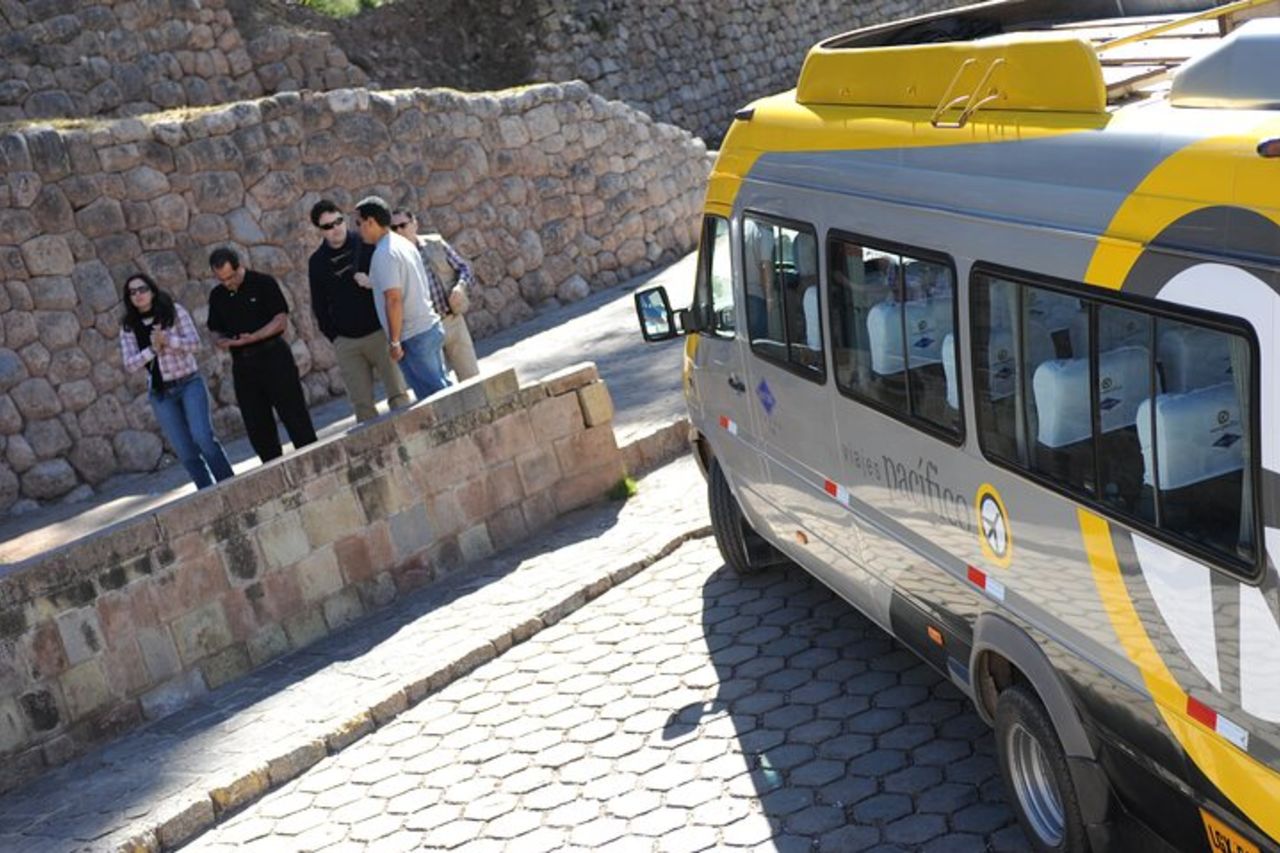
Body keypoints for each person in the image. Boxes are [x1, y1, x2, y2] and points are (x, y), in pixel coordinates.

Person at [118, 273, 235, 489]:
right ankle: (207, 493)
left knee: (203, 438)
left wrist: (168, 340)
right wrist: (153, 349)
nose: (138, 295)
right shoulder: (128, 327)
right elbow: (130, 364)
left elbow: (194, 344)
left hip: (189, 382)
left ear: (152, 290)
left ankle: (230, 487)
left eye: (142, 289)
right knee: (184, 450)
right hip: (161, 394)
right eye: (132, 292)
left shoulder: (174, 311)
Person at [206, 247, 317, 463]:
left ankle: (313, 461)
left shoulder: (263, 282)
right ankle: (273, 469)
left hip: (273, 356)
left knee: (294, 415)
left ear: (239, 268)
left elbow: (280, 320)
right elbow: (214, 328)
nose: (227, 283)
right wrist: (221, 341)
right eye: (221, 279)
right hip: (243, 365)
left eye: (230, 277)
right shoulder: (217, 295)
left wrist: (254, 337)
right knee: (257, 425)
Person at [308, 199, 411, 422]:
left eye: (338, 221)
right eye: (328, 226)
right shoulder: (317, 262)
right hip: (347, 343)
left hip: (379, 333)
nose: (335, 228)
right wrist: (335, 337)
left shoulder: (366, 244)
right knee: (362, 407)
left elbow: (390, 285)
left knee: (399, 396)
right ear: (320, 231)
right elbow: (319, 305)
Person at [353, 196, 452, 400]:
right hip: (428, 327)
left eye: (358, 223)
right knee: (445, 391)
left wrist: (395, 342)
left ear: (370, 221)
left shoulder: (384, 253)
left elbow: (394, 299)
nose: (358, 229)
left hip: (413, 336)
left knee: (438, 401)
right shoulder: (402, 243)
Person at [390, 208, 480, 381]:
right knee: (441, 387)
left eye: (403, 225)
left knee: (472, 377)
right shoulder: (394, 259)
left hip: (452, 320)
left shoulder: (435, 243)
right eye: (394, 228)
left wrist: (460, 287)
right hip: (425, 330)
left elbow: (464, 268)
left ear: (414, 223)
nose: (399, 231)